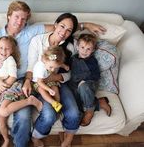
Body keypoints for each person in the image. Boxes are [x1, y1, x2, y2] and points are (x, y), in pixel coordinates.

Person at [0, 0, 106, 147]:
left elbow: (61, 31)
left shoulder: (32, 31)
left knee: (24, 117)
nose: (20, 22)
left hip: (23, 81)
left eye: (24, 18)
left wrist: (86, 25)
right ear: (8, 16)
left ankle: (21, 144)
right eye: (16, 17)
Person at [27, 13, 111, 147]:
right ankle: (36, 137)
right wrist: (31, 81)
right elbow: (31, 67)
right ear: (55, 25)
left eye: (69, 30)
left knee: (73, 113)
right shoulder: (37, 41)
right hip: (40, 83)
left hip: (60, 83)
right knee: (49, 115)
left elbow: (69, 73)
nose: (64, 32)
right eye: (62, 26)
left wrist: (56, 77)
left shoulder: (70, 46)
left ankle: (68, 138)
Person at [0, 36, 42, 147]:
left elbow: (13, 77)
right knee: (0, 122)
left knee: (3, 111)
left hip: (11, 87)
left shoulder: (10, 60)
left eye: (7, 49)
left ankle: (30, 101)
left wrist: (2, 87)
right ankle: (6, 139)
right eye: (1, 48)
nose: (3, 51)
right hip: (1, 89)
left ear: (12, 50)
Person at [68, 33, 107, 127]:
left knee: (83, 87)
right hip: (75, 84)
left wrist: (84, 80)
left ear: (93, 50)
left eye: (88, 49)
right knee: (72, 94)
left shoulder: (92, 61)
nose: (84, 51)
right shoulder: (73, 58)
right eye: (82, 47)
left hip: (89, 83)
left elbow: (96, 75)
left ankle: (89, 110)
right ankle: (99, 103)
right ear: (77, 46)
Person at [32, 46, 68, 113]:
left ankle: (57, 104)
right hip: (38, 82)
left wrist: (64, 66)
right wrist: (48, 89)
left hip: (47, 79)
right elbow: (40, 82)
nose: (53, 70)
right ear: (44, 60)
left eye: (55, 67)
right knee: (42, 90)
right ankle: (53, 102)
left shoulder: (51, 62)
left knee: (55, 88)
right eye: (51, 67)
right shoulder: (41, 68)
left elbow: (58, 63)